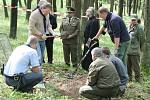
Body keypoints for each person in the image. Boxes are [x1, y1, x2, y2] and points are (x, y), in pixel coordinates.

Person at [127, 16, 145, 82]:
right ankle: (129, 78)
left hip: (135, 50)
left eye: (134, 20)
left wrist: (140, 49)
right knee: (128, 65)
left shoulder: (139, 28)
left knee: (136, 66)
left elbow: (142, 40)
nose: (133, 21)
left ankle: (137, 79)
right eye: (132, 20)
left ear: (137, 20)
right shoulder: (129, 27)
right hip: (128, 50)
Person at [81, 7, 100, 71]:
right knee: (86, 53)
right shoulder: (90, 20)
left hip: (92, 42)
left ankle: (90, 67)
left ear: (90, 13)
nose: (85, 12)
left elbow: (92, 34)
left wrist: (88, 43)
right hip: (87, 40)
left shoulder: (94, 21)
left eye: (87, 11)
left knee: (90, 54)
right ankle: (85, 66)